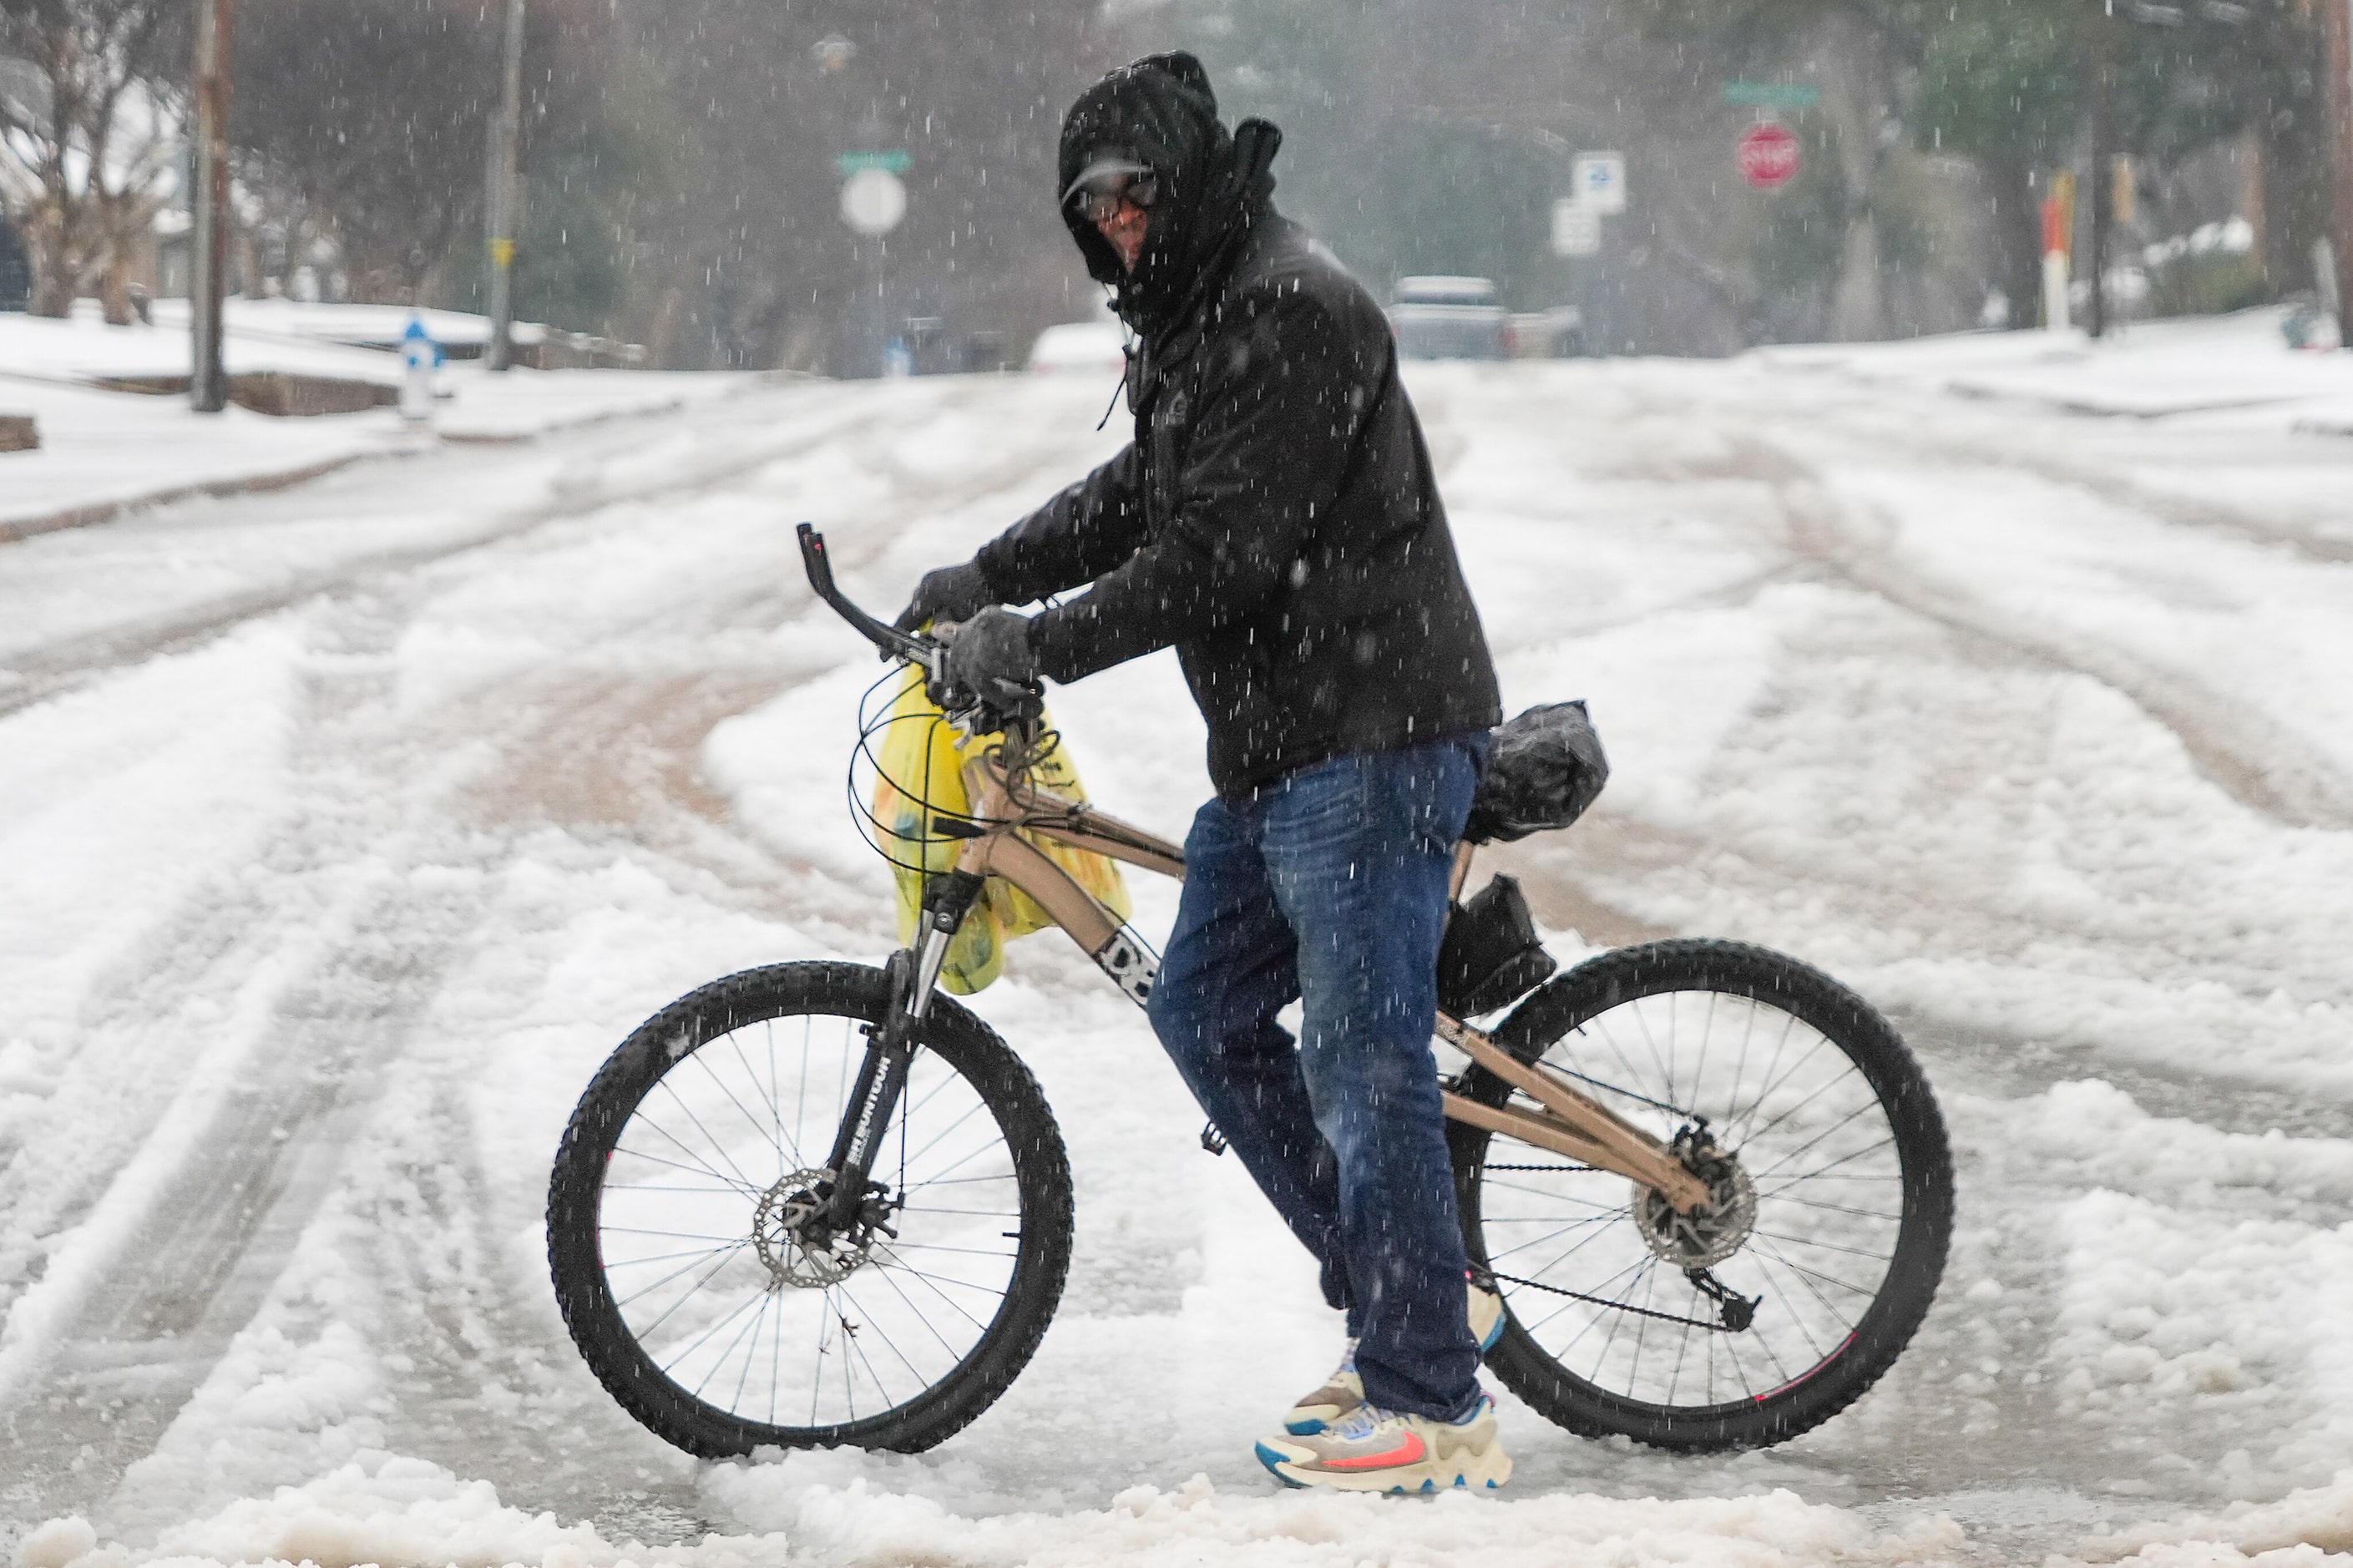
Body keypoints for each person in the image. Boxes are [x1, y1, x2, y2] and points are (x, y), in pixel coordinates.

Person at [893, 51, 1510, 1494]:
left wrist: (1030, 643)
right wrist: (989, 572)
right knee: (1207, 1007)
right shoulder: (1192, 309)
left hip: (1372, 737)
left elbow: (1219, 553)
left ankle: (1434, 1406)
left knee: (1360, 1063)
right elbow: (1139, 496)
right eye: (1090, 203)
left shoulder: (1287, 307)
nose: (1113, 222)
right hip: (1287, 749)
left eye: (1131, 193)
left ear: (1182, 182)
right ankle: (1414, 1281)